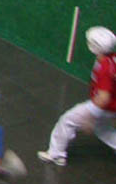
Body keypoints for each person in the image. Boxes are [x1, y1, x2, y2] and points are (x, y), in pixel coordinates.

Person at [38, 26, 116, 166]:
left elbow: (103, 97)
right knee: (103, 129)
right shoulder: (112, 59)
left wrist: (89, 118)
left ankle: (56, 154)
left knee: (67, 120)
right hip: (111, 108)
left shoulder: (105, 68)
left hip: (102, 106)